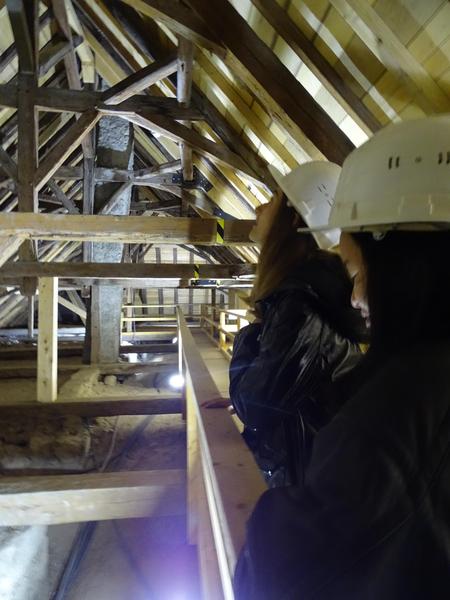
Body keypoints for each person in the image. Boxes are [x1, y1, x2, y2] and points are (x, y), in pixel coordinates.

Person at [234, 115, 450, 599]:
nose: (354, 296)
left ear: (402, 266)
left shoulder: (396, 414)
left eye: (355, 267)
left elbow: (281, 576)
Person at [229, 162, 365, 487]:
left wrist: (249, 339)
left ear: (291, 218)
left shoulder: (301, 305)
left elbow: (255, 406)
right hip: (312, 474)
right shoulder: (307, 292)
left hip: (313, 486)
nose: (260, 207)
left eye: (273, 199)